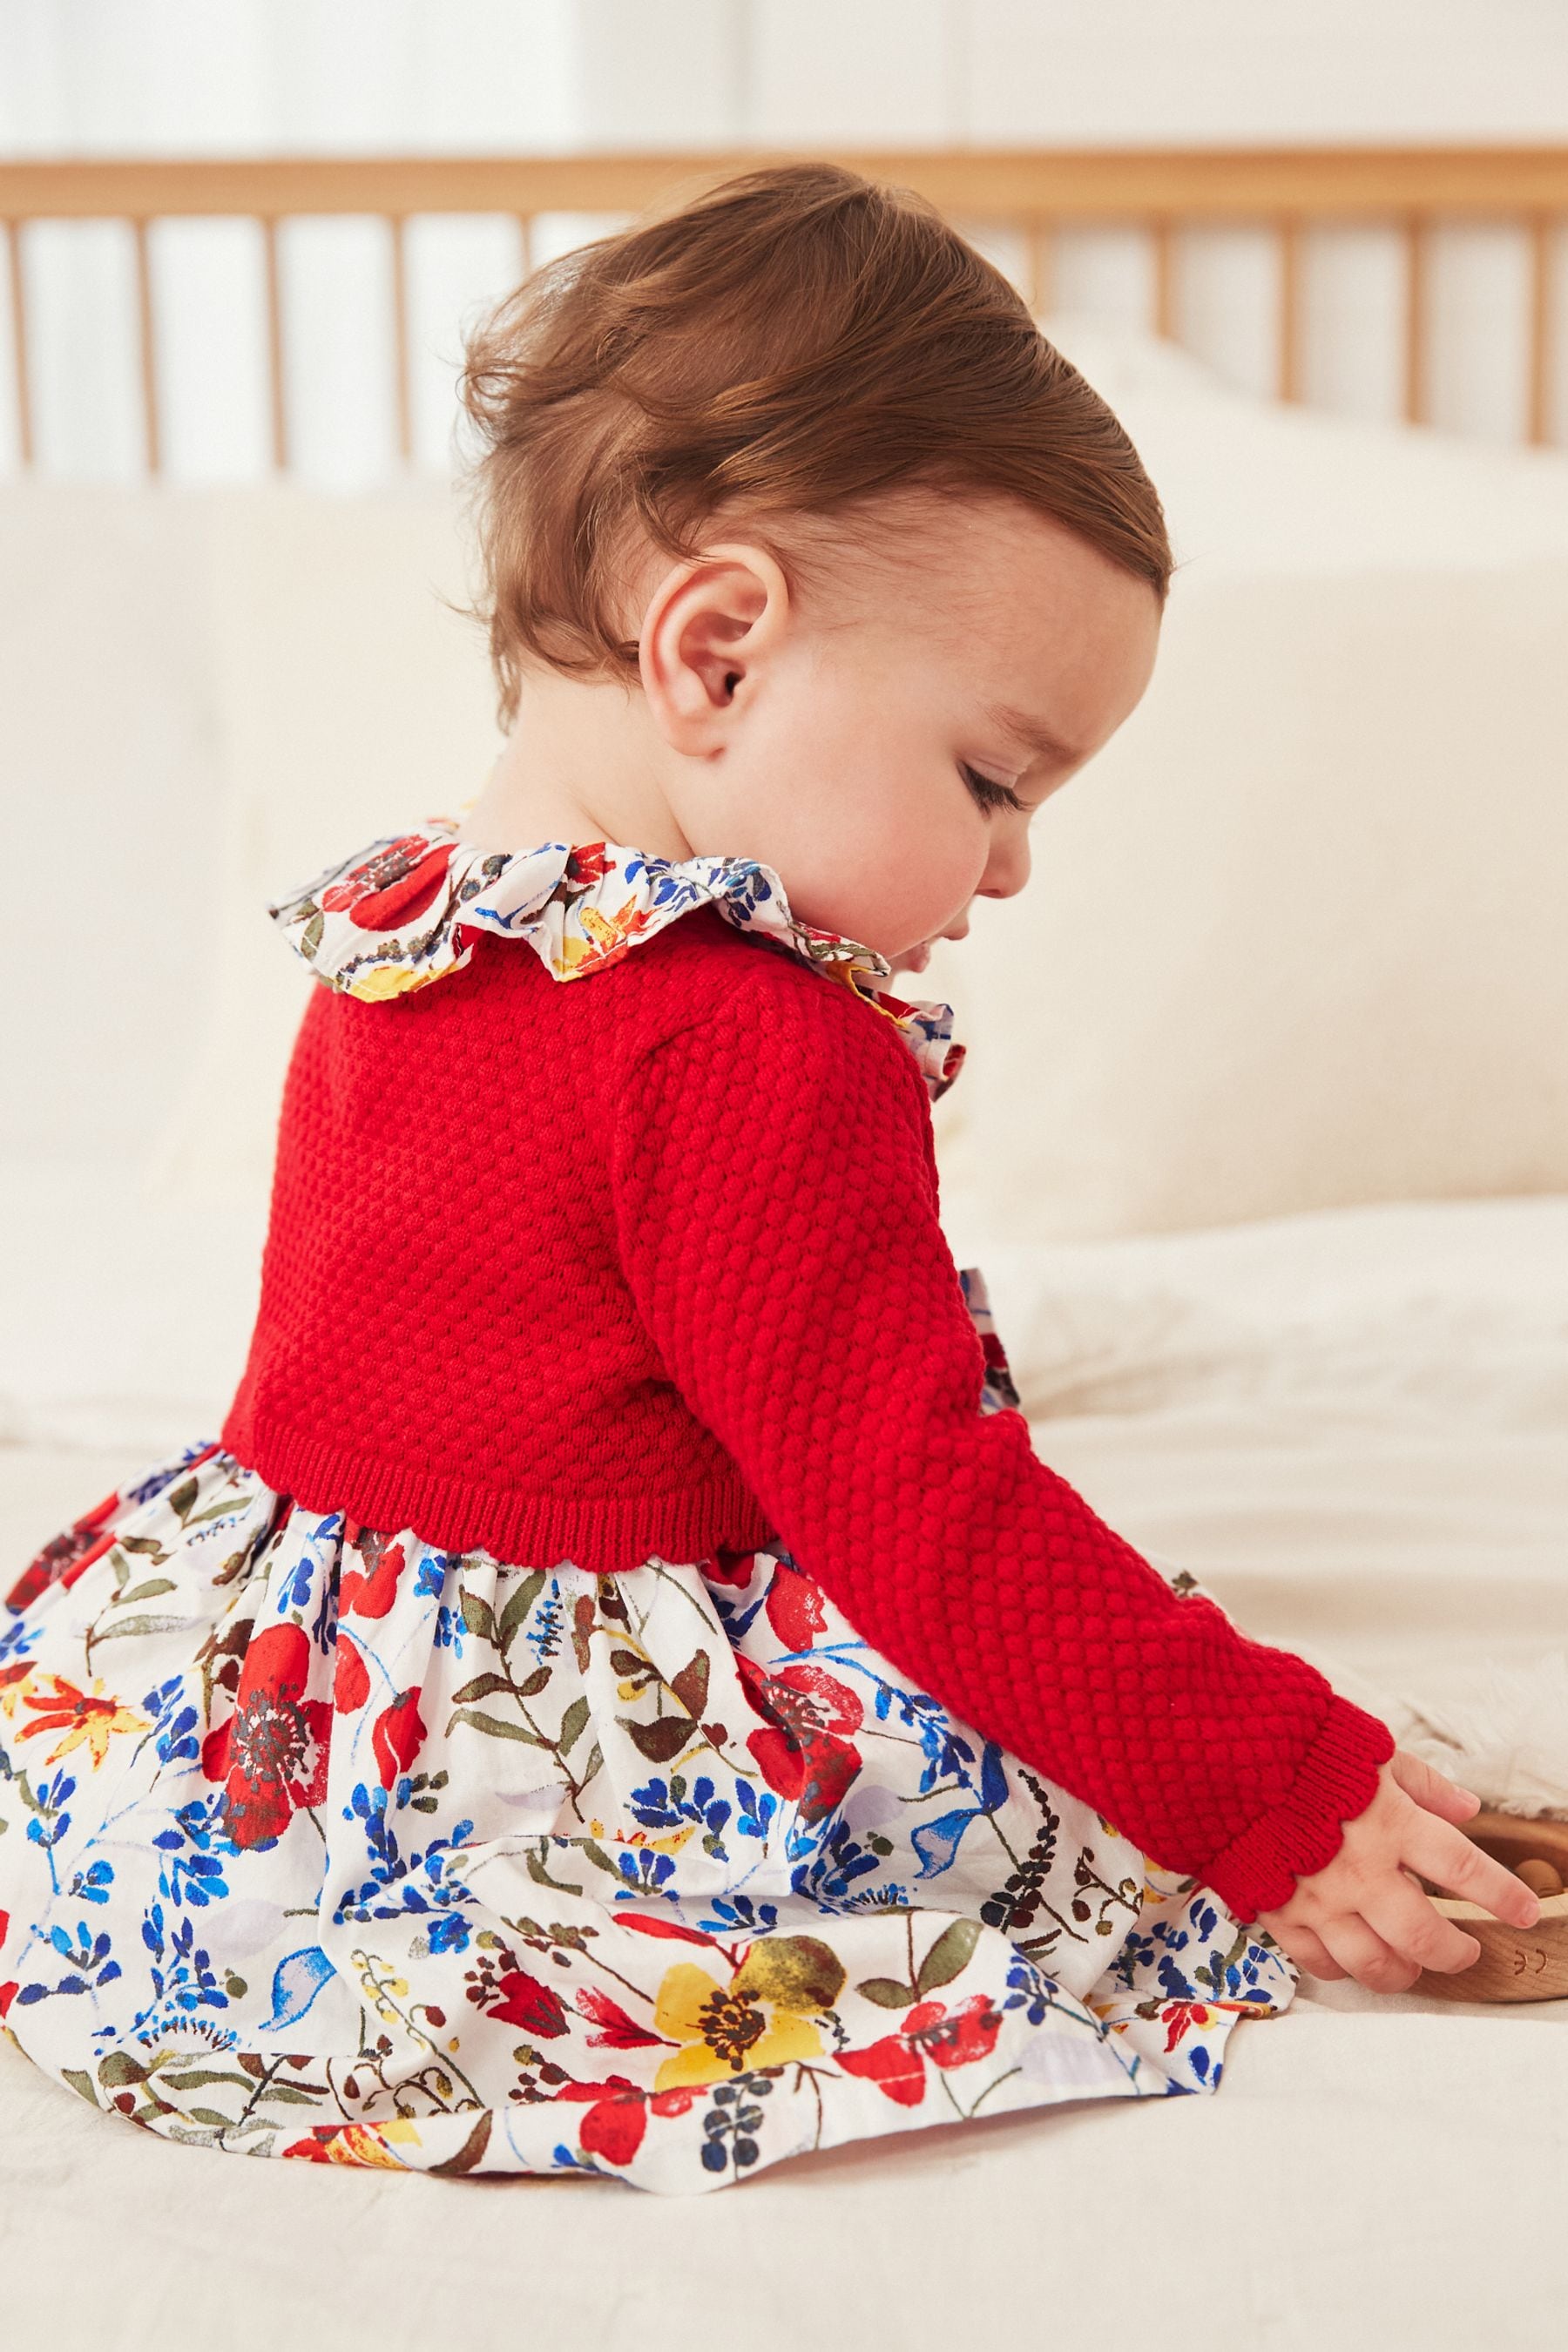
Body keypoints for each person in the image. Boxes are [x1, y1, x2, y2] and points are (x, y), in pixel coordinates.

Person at [0, 163, 1537, 2196]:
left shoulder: (410, 924)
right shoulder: (746, 1038)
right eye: (993, 780)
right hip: (545, 1780)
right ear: (714, 653)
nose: (1008, 869)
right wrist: (1275, 1794)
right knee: (1014, 1856)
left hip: (268, 1739)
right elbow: (928, 1518)